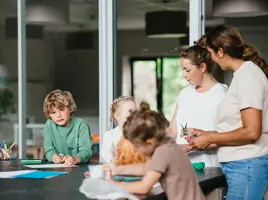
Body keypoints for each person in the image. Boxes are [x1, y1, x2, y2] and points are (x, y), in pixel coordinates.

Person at [188, 24, 268, 200]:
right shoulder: (242, 75)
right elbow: (240, 126)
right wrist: (206, 134)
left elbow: (252, 132)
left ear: (221, 52)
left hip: (247, 164)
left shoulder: (249, 77)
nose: (212, 59)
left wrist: (210, 138)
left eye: (211, 53)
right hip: (242, 165)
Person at [109, 110, 205, 200]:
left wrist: (114, 185)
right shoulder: (167, 144)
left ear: (149, 142)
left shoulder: (162, 152)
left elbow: (144, 187)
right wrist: (118, 169)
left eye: (137, 146)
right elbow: (146, 168)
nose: (137, 150)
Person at [166, 44, 227, 167]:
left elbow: (227, 138)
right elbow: (173, 130)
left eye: (187, 70)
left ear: (203, 67)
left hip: (211, 167)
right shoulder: (184, 93)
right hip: (182, 166)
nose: (184, 75)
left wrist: (189, 147)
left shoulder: (223, 95)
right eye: (182, 70)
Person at [43, 89, 92, 166]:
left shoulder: (81, 125)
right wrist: (53, 157)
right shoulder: (49, 125)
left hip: (79, 167)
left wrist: (75, 159)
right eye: (53, 112)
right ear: (49, 115)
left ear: (70, 109)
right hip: (58, 168)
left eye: (62, 110)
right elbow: (49, 150)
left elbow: (86, 152)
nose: (58, 115)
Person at [101, 96, 147, 165]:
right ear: (117, 116)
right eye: (130, 111)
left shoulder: (140, 133)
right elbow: (105, 151)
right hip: (120, 169)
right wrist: (110, 159)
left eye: (135, 111)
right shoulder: (110, 135)